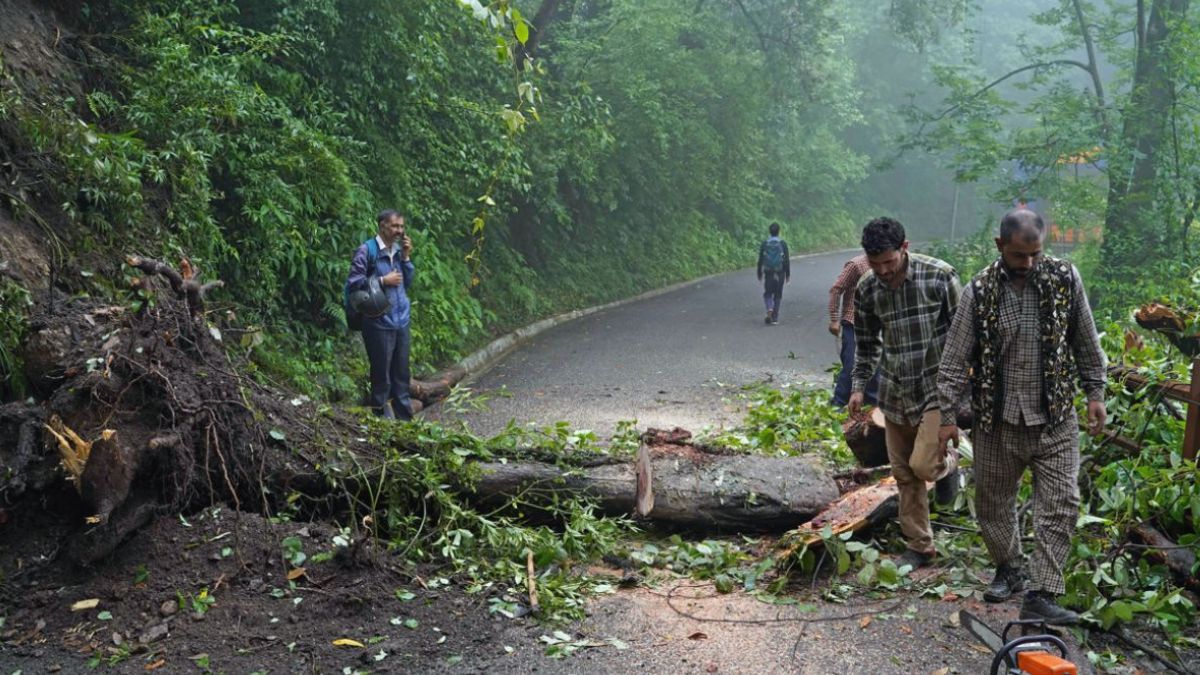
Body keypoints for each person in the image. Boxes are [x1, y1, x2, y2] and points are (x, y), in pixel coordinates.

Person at [936, 208, 1107, 625]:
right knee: (992, 503)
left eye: (1035, 254)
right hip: (996, 420)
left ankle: (1042, 593)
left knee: (1062, 503)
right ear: (1000, 247)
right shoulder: (979, 291)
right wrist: (946, 416)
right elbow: (955, 358)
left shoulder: (1065, 279)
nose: (1027, 264)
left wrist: (1095, 392)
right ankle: (1009, 568)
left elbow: (1086, 338)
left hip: (1055, 418)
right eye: (1018, 256)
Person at [848, 217, 961, 569]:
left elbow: (966, 336)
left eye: (889, 262)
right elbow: (865, 344)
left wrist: (963, 393)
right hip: (894, 391)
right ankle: (920, 546)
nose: (882, 270)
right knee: (904, 475)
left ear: (905, 248)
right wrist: (857, 386)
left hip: (936, 387)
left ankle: (950, 465)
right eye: (875, 263)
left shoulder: (940, 276)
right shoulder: (866, 288)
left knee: (924, 465)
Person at [347, 209, 416, 419]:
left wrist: (406, 257)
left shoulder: (397, 250)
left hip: (401, 320)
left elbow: (408, 282)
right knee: (381, 378)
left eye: (402, 227)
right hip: (378, 322)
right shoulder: (367, 251)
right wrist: (383, 280)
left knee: (402, 376)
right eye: (395, 226)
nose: (399, 231)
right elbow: (354, 283)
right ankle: (382, 427)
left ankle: (406, 424)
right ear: (382, 225)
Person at [828, 254, 879, 407]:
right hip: (853, 322)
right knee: (851, 364)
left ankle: (870, 405)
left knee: (876, 367)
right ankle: (838, 404)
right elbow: (836, 289)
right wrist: (834, 319)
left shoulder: (889, 265)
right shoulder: (856, 265)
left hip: (876, 323)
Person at [756, 222, 790, 324]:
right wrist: (787, 274)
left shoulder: (765, 243)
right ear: (779, 231)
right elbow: (786, 260)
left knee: (768, 293)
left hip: (768, 272)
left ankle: (769, 308)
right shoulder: (782, 243)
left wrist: (759, 273)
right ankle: (775, 317)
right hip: (780, 272)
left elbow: (761, 259)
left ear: (769, 232)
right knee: (778, 294)